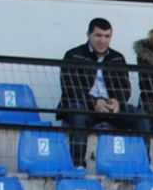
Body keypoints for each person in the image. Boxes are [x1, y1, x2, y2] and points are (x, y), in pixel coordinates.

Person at [57, 18, 133, 165]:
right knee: (78, 113)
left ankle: (144, 165)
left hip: (110, 108)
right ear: (88, 35)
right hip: (84, 106)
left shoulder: (117, 58)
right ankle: (78, 165)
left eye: (107, 36)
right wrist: (94, 102)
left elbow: (125, 87)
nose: (102, 41)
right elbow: (70, 88)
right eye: (98, 36)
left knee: (141, 117)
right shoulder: (73, 55)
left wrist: (118, 101)